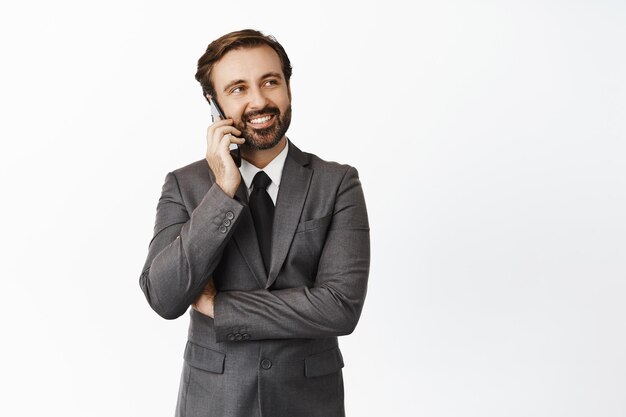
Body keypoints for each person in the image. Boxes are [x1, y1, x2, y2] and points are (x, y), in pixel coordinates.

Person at [139, 29, 370, 417]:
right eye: (238, 89)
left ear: (289, 87)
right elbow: (164, 296)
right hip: (214, 401)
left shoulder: (337, 183)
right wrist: (224, 191)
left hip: (308, 402)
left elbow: (340, 307)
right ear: (213, 103)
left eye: (270, 82)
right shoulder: (185, 184)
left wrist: (221, 307)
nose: (259, 100)